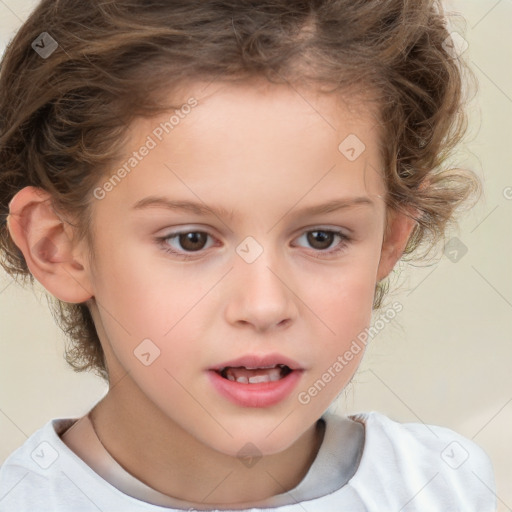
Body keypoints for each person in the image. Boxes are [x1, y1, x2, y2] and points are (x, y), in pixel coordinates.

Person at [0, 0, 497, 510]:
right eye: (190, 239)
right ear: (57, 246)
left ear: (390, 237)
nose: (264, 306)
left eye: (321, 237)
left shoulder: (443, 487)